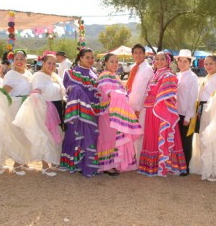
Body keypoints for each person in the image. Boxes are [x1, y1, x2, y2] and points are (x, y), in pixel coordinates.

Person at [0, 49, 32, 176]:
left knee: (27, 134)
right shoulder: (10, 74)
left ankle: (24, 160)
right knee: (18, 134)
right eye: (16, 59)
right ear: (13, 60)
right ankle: (17, 164)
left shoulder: (29, 73)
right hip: (16, 107)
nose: (19, 61)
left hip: (28, 106)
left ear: (26, 60)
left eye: (22, 59)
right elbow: (5, 91)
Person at [138, 52, 187, 177]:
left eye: (162, 59)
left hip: (162, 113)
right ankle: (152, 166)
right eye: (156, 59)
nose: (159, 61)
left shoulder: (168, 75)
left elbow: (165, 96)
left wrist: (155, 101)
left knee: (161, 136)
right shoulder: (155, 75)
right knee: (152, 137)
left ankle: (165, 166)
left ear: (168, 61)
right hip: (151, 111)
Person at [16, 53, 65, 177]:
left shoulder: (55, 76)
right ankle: (44, 166)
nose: (52, 65)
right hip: (45, 109)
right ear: (43, 63)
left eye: (54, 63)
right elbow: (36, 90)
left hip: (58, 108)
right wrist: (37, 97)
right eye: (49, 63)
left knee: (56, 135)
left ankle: (54, 161)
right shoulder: (38, 76)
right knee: (44, 136)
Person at [96, 54, 143, 176]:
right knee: (108, 138)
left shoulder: (115, 76)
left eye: (116, 62)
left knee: (114, 138)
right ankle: (106, 165)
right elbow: (108, 92)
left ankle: (114, 163)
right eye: (112, 61)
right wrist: (121, 95)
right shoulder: (104, 76)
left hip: (116, 112)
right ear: (105, 62)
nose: (115, 64)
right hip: (107, 112)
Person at [189, 55, 216, 181]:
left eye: (211, 64)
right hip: (203, 109)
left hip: (213, 110)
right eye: (206, 64)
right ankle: (205, 167)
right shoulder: (208, 77)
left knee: (214, 138)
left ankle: (215, 169)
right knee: (204, 137)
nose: (208, 66)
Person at [60, 48, 101, 177]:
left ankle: (86, 163)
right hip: (78, 115)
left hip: (93, 112)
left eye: (92, 57)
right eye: (87, 57)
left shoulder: (94, 73)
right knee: (76, 137)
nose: (90, 60)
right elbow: (69, 88)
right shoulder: (71, 73)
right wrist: (76, 89)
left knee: (90, 138)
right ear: (80, 58)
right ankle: (75, 163)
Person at [127, 44, 154, 165]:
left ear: (144, 54)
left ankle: (139, 161)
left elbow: (145, 91)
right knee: (131, 133)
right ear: (132, 55)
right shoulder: (134, 67)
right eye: (135, 53)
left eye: (140, 53)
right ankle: (132, 158)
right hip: (130, 106)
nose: (138, 55)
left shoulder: (147, 69)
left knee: (139, 133)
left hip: (141, 108)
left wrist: (138, 108)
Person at [174, 49, 199, 176]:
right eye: (180, 61)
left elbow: (193, 98)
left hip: (186, 114)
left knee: (186, 141)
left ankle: (186, 167)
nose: (182, 63)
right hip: (176, 113)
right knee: (178, 141)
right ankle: (178, 164)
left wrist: (188, 116)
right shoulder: (178, 75)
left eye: (185, 61)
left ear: (189, 62)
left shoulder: (193, 77)